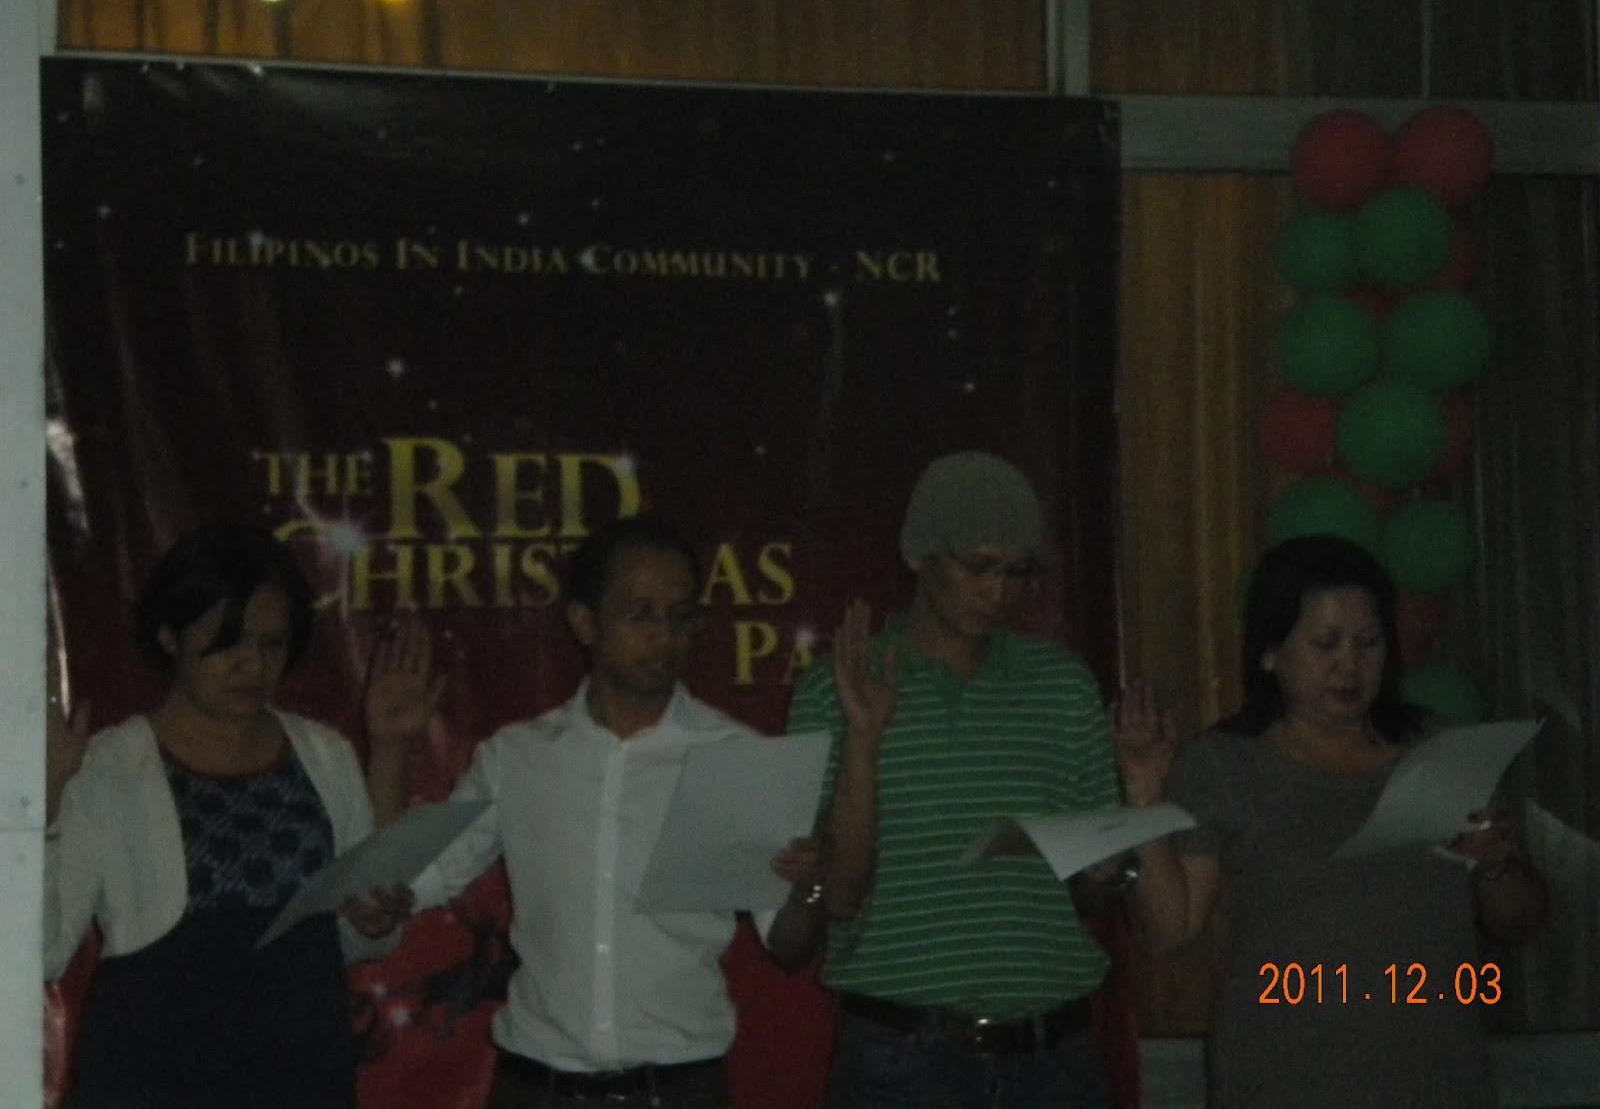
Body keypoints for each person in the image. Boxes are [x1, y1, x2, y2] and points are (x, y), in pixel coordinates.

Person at [403, 515, 827, 1109]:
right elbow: (420, 879)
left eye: (681, 616)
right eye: (639, 614)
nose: (665, 638)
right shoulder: (519, 756)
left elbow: (791, 947)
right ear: (584, 621)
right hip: (537, 1087)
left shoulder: (733, 757)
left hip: (678, 1088)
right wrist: (391, 753)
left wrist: (808, 886)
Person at [1117, 533, 1549, 1109]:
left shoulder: (1439, 748)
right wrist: (1145, 793)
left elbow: (1520, 919)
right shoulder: (1225, 763)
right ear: (1270, 653)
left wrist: (1497, 865)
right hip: (1281, 1075)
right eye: (1325, 644)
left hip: (1436, 1072)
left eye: (1369, 643)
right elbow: (1171, 928)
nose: (1349, 665)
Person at [44, 523, 446, 1109]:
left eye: (272, 644)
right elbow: (46, 952)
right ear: (170, 636)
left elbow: (363, 938)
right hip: (152, 1076)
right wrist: (44, 801)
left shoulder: (323, 754)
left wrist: (390, 751)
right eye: (227, 641)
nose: (252, 664)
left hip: (302, 1072)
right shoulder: (109, 766)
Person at [785, 450, 1130, 1109]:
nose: (997, 592)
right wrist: (864, 739)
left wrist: (1109, 870)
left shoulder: (1061, 685)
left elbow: (1086, 899)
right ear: (919, 555)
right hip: (903, 1052)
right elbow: (838, 897)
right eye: (978, 566)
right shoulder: (837, 688)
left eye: (1016, 571)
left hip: (1055, 1052)